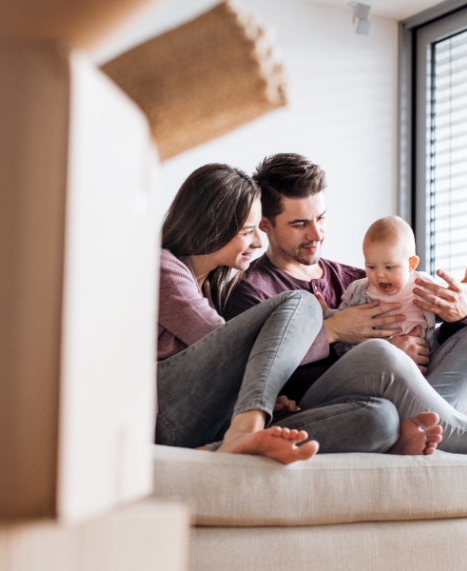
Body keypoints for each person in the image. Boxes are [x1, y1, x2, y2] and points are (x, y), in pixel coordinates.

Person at [222, 153, 467, 456]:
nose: (317, 234)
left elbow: (429, 318)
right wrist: (335, 335)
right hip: (325, 404)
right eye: (300, 223)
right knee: (380, 363)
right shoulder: (253, 291)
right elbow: (259, 374)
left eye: (320, 218)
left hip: (392, 395)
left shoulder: (359, 276)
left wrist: (460, 313)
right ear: (266, 225)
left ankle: (418, 431)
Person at [156, 164, 414, 463]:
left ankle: (226, 444)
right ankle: (245, 427)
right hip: (167, 418)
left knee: (378, 418)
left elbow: (227, 367)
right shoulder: (163, 267)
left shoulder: (213, 287)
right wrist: (331, 331)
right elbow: (227, 346)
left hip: (206, 423)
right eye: (248, 232)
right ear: (212, 227)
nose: (257, 242)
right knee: (300, 302)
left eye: (321, 218)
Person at [331, 216, 437, 353]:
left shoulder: (424, 285)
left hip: (424, 358)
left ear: (411, 264)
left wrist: (459, 304)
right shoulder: (359, 290)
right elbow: (341, 319)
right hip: (375, 362)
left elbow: (445, 310)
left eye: (389, 267)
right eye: (371, 267)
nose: (379, 274)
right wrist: (326, 313)